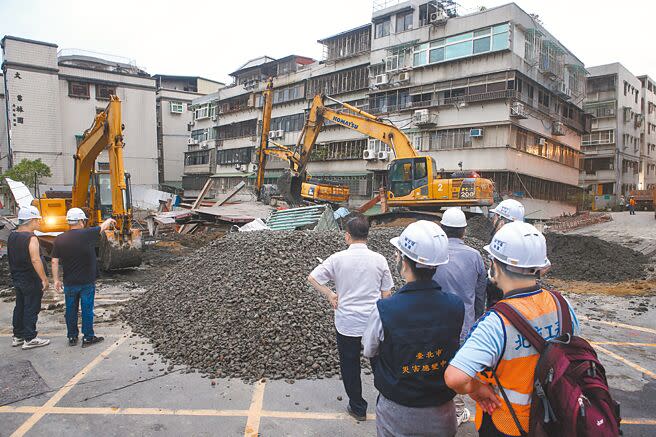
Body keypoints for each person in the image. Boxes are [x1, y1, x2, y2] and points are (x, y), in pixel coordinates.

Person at [444, 221, 580, 437]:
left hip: (509, 424)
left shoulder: (496, 322)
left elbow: (455, 378)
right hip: (558, 419)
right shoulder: (562, 304)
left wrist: (478, 390)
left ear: (495, 265)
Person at [362, 221, 464, 437]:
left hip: (398, 410)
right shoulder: (455, 306)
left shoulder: (385, 309)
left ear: (404, 260)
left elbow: (370, 350)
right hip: (442, 409)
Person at [308, 213, 394, 421]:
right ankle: (385, 404)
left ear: (347, 236)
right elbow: (387, 293)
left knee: (350, 364)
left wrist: (330, 294)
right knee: (379, 364)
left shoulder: (337, 259)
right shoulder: (379, 259)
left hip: (346, 322)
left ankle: (357, 407)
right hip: (373, 322)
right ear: (367, 235)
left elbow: (312, 277)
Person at [433, 208, 487, 427]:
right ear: (464, 231)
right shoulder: (474, 256)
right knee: (458, 366)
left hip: (436, 320)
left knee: (438, 361)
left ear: (443, 229)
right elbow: (480, 292)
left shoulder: (435, 254)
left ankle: (438, 404)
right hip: (465, 321)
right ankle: (456, 410)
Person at [51, 208, 115, 348]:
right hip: (86, 281)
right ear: (80, 221)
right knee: (87, 310)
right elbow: (103, 227)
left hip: (69, 282)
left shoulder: (59, 239)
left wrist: (56, 280)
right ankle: (88, 337)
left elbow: (54, 261)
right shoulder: (87, 234)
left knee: (70, 310)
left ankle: (72, 337)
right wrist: (110, 220)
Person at [7, 206, 50, 350]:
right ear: (31, 220)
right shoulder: (31, 238)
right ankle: (30, 338)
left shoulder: (12, 236)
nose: (38, 223)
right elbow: (35, 259)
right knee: (31, 307)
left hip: (17, 277)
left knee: (20, 306)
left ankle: (18, 335)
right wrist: (43, 278)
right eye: (37, 220)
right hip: (30, 278)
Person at [485, 199, 525, 309]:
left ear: (502, 220)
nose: (493, 220)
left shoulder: (503, 240)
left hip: (501, 291)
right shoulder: (523, 239)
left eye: (496, 216)